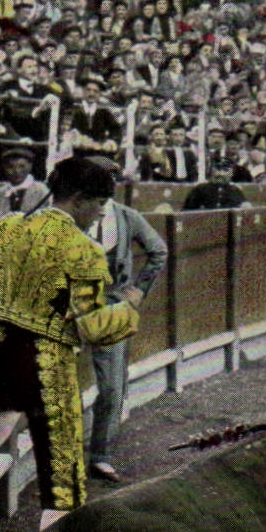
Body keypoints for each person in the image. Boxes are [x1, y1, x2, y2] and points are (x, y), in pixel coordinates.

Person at [0, 157, 141, 531]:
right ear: (78, 200)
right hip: (49, 361)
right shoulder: (83, 250)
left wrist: (22, 294)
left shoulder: (10, 227)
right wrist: (128, 311)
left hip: (5, 351)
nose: (100, 214)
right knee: (62, 478)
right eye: (98, 204)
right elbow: (94, 328)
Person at [82, 160, 167, 483]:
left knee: (111, 384)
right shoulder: (71, 214)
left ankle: (100, 455)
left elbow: (159, 250)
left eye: (111, 179)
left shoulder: (126, 216)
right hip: (71, 303)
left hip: (111, 303)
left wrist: (138, 290)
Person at [0, 145, 49, 228]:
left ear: (30, 166)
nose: (16, 171)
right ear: (4, 168)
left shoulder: (41, 192)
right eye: (10, 167)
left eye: (22, 166)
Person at [183, 157, 248, 210]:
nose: (220, 174)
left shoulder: (235, 191)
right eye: (217, 169)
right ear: (211, 171)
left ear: (231, 173)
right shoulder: (200, 190)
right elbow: (187, 212)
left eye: (225, 170)